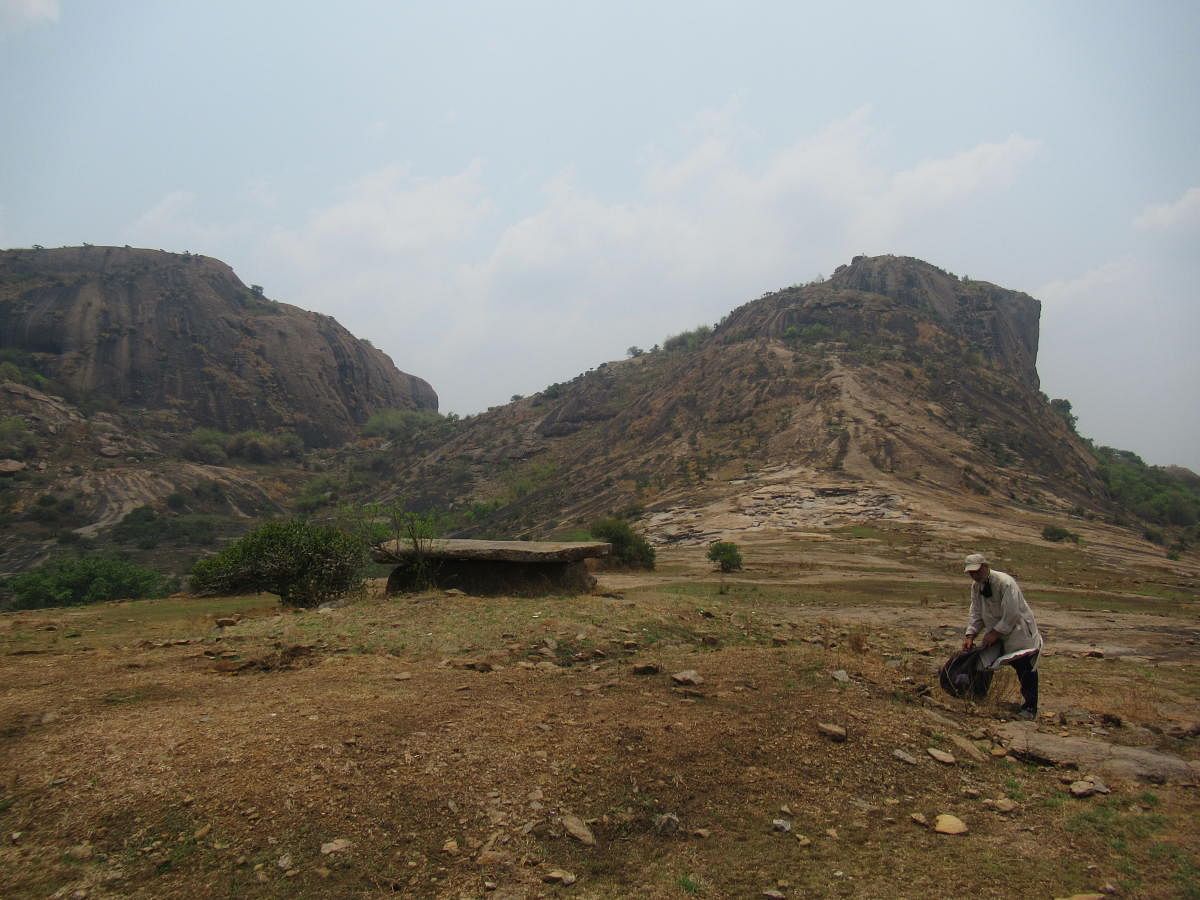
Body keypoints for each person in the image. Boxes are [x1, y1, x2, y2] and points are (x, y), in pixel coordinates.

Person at [960, 553, 1043, 719]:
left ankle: (1029, 709)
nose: (974, 575)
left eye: (976, 571)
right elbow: (976, 612)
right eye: (971, 573)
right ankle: (978, 697)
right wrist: (970, 634)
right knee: (982, 662)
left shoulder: (1005, 583)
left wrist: (996, 633)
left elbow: (1012, 613)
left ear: (985, 566)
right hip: (994, 632)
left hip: (1018, 632)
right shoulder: (976, 587)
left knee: (1025, 667)